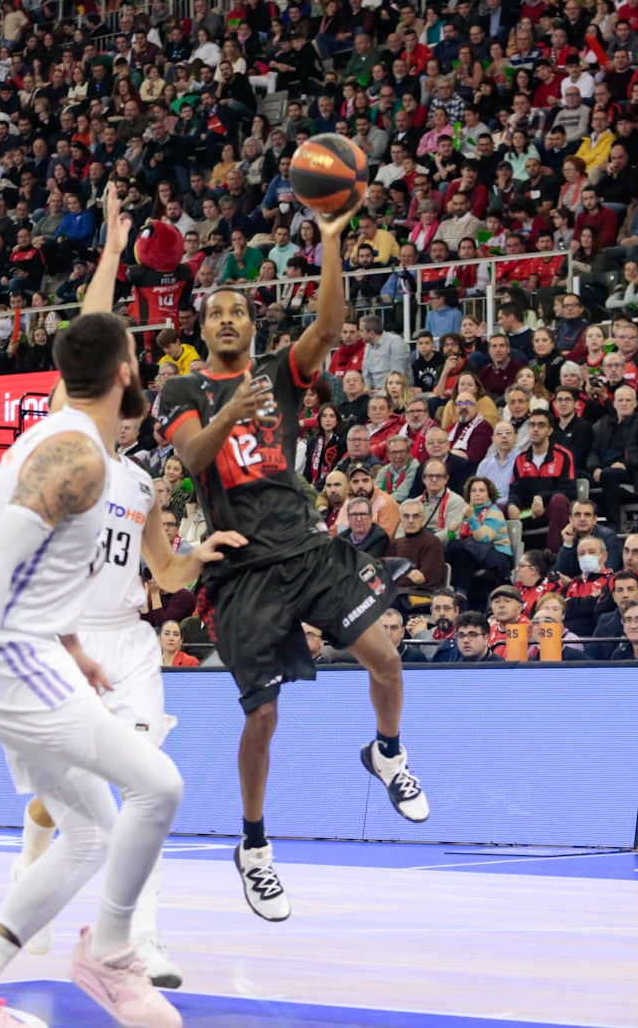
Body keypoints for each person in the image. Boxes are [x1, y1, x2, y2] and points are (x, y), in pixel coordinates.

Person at [158, 196, 429, 924]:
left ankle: (388, 752)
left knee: (387, 658)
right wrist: (229, 410)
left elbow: (330, 325)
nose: (225, 320)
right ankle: (253, 846)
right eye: (214, 312)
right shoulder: (183, 389)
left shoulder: (280, 372)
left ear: (250, 326)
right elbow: (191, 459)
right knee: (264, 716)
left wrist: (333, 239)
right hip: (243, 572)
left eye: (237, 312)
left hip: (308, 548)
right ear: (201, 328)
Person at [7, 207, 248, 988]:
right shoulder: (63, 444)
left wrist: (194, 558)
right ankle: (30, 854)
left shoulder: (143, 482)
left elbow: (165, 575)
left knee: (147, 786)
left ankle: (139, 939)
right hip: (63, 644)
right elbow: (92, 334)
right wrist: (111, 252)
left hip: (128, 641)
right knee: (64, 806)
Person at [0, 298, 185, 1026]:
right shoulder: (78, 458)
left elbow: (34, 566)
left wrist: (70, 641)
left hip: (19, 646)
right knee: (158, 786)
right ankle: (109, 954)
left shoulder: (67, 440)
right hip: (2, 655)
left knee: (90, 835)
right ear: (127, 372)